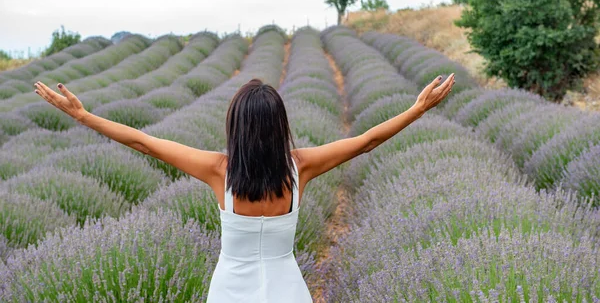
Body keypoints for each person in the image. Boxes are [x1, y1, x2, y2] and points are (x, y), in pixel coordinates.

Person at [33, 72, 455, 302]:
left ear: (236, 127)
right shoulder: (300, 168)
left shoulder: (219, 171)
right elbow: (367, 141)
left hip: (230, 291)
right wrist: (416, 109)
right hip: (287, 289)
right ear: (279, 127)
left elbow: (146, 143)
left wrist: (84, 116)